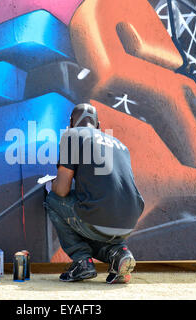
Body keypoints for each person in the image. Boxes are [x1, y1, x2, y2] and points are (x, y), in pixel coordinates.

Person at [44, 103, 145, 284]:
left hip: (97, 216)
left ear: (71, 123)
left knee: (53, 200)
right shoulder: (120, 144)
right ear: (98, 125)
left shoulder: (72, 135)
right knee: (89, 216)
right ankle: (118, 253)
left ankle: (82, 261)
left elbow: (62, 189)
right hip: (129, 221)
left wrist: (52, 183)